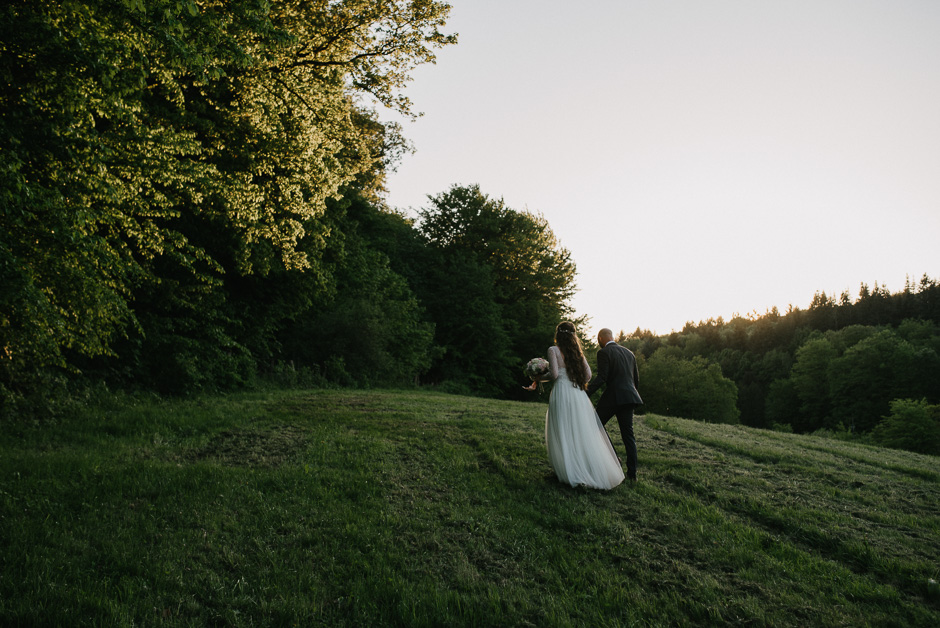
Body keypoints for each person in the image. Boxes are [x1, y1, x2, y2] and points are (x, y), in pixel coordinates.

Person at [526, 321, 624, 490]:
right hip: (578, 395)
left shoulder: (553, 350)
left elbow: (555, 374)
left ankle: (569, 470)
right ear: (573, 336)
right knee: (579, 430)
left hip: (562, 393)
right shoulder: (578, 353)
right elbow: (588, 376)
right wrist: (574, 379)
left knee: (563, 429)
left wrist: (538, 378)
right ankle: (587, 468)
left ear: (558, 334)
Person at [587, 328, 643, 482]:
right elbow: (635, 379)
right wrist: (631, 395)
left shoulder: (604, 353)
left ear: (600, 338)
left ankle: (613, 459)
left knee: (595, 424)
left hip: (613, 398)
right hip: (629, 397)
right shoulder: (629, 353)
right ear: (612, 337)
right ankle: (632, 475)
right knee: (628, 436)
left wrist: (586, 392)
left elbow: (602, 377)